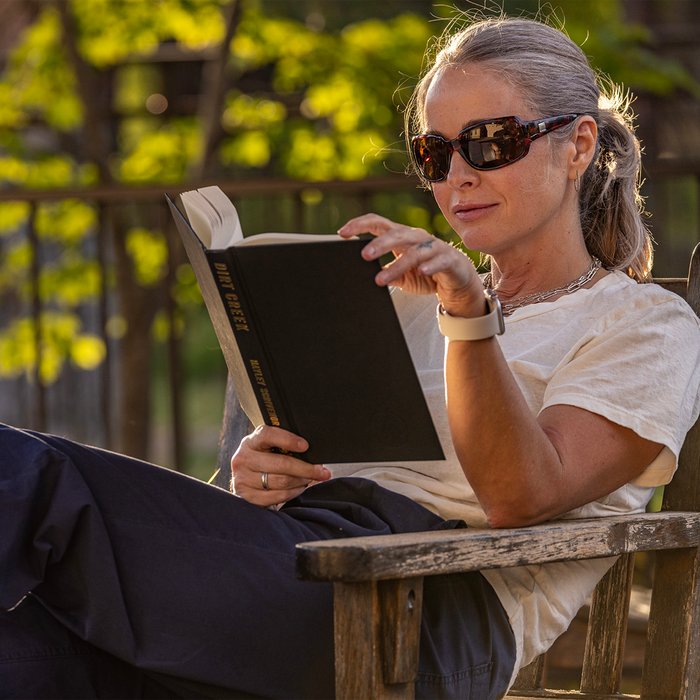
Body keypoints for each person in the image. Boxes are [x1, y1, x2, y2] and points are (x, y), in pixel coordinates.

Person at [2, 14, 700, 700]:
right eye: (436, 152)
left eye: (490, 143)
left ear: (577, 145)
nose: (458, 174)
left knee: (34, 479)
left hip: (425, 615)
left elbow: (521, 497)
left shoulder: (644, 327)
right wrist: (265, 478)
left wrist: (468, 313)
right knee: (26, 648)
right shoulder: (403, 302)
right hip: (300, 566)